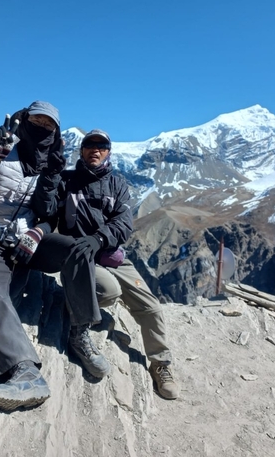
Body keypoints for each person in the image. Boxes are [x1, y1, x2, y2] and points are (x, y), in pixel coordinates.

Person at [32, 129, 180, 399]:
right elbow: (44, 210)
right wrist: (51, 174)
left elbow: (124, 224)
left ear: (108, 152)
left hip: (110, 254)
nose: (95, 150)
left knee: (151, 307)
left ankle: (160, 364)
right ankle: (77, 319)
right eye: (90, 145)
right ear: (81, 150)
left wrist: (99, 239)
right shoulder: (66, 181)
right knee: (109, 291)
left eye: (101, 146)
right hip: (79, 258)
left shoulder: (118, 184)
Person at [0, 100, 79, 411]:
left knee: (78, 251)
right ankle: (25, 373)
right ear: (23, 120)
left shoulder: (52, 165)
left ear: (56, 132)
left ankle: (82, 327)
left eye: (49, 126)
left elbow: (49, 216)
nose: (42, 129)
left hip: (30, 243)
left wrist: (37, 233)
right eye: (36, 121)